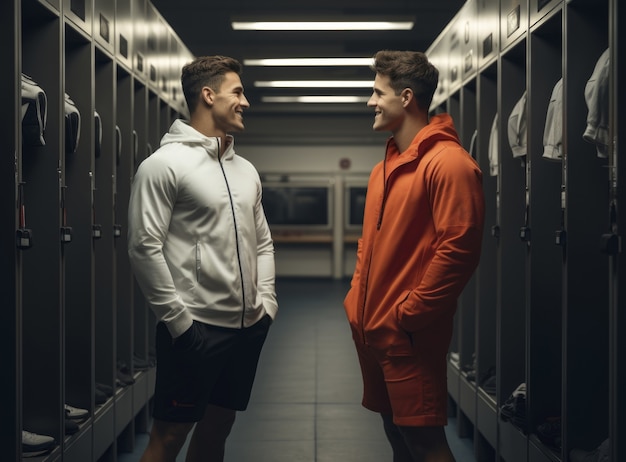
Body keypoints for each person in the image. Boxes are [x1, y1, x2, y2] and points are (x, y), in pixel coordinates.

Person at [127, 55, 277, 462]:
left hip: (246, 328)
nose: (245, 102)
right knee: (169, 437)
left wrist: (267, 304)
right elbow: (144, 246)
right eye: (238, 92)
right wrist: (179, 323)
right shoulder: (163, 166)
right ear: (208, 95)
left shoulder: (245, 170)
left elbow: (262, 242)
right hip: (195, 331)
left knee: (218, 428)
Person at [343, 50, 485, 462]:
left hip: (409, 334)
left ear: (406, 98)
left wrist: (410, 315)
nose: (371, 101)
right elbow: (368, 245)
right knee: (395, 431)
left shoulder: (449, 164)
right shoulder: (383, 168)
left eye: (377, 92)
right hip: (373, 332)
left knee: (424, 441)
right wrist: (356, 302)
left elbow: (458, 248)